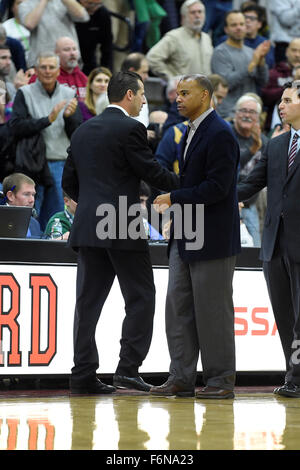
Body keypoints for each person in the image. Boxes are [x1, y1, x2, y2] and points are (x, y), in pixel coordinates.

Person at [62, 70, 179, 395]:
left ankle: (82, 375)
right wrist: (186, 186)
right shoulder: (132, 127)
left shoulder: (83, 129)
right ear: (128, 95)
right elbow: (150, 171)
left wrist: (91, 206)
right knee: (141, 297)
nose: (144, 100)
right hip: (121, 221)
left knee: (87, 303)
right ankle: (127, 370)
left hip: (88, 225)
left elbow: (69, 182)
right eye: (141, 94)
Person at [150, 74, 240, 399]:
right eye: (176, 93)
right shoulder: (189, 130)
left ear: (205, 95)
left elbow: (218, 188)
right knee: (178, 307)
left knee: (212, 311)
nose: (177, 98)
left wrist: (174, 199)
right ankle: (181, 378)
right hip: (186, 233)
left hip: (213, 238)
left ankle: (219, 381)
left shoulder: (221, 134)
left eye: (185, 93)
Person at [238, 80, 300, 398]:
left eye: (288, 100)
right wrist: (212, 197)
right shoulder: (276, 145)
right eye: (280, 100)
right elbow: (249, 184)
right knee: (285, 315)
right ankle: (294, 376)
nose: (281, 105)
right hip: (274, 243)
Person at [9, 51, 82, 231]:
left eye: (52, 67)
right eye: (43, 67)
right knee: (30, 216)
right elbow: (16, 126)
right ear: (36, 70)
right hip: (32, 164)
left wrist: (70, 117)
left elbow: (77, 133)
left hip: (60, 162)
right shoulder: (24, 93)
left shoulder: (69, 93)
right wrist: (47, 120)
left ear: (58, 71)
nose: (48, 71)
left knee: (57, 215)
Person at [211, 10, 269, 119]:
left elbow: (263, 81)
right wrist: (251, 65)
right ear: (226, 29)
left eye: (242, 24)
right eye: (234, 25)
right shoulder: (220, 52)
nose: (239, 28)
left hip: (251, 113)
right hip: (229, 114)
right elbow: (226, 83)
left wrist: (261, 61)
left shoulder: (251, 52)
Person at [232, 93, 269, 246]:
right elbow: (229, 164)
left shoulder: (265, 141)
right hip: (226, 202)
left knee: (255, 249)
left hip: (250, 205)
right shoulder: (226, 134)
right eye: (243, 110)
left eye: (252, 112)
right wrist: (253, 149)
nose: (247, 115)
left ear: (258, 117)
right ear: (235, 113)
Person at [146, 0, 213, 81]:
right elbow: (152, 58)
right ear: (183, 17)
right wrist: (171, 79)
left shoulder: (206, 38)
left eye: (200, 12)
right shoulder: (174, 37)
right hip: (183, 91)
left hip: (203, 91)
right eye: (193, 12)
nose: (197, 16)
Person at [18, 0, 89, 67]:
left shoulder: (65, 2)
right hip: (42, 62)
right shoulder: (25, 4)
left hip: (69, 59)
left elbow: (83, 16)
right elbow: (30, 24)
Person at [261, 38, 300, 131]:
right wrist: (293, 84)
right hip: (277, 126)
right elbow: (266, 97)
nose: (297, 55)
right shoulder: (276, 73)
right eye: (294, 50)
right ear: (286, 52)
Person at [76, 0, 113, 75]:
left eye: (98, 4)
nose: (94, 8)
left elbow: (107, 45)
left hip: (89, 58)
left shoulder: (102, 13)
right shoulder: (71, 10)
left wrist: (104, 70)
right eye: (90, 3)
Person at [2, 172, 41, 237]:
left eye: (33, 195)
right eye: (26, 194)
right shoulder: (2, 220)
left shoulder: (34, 223)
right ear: (10, 196)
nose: (32, 200)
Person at [121, 52, 150, 128]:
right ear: (132, 71)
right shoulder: (117, 93)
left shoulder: (141, 93)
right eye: (144, 72)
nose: (147, 77)